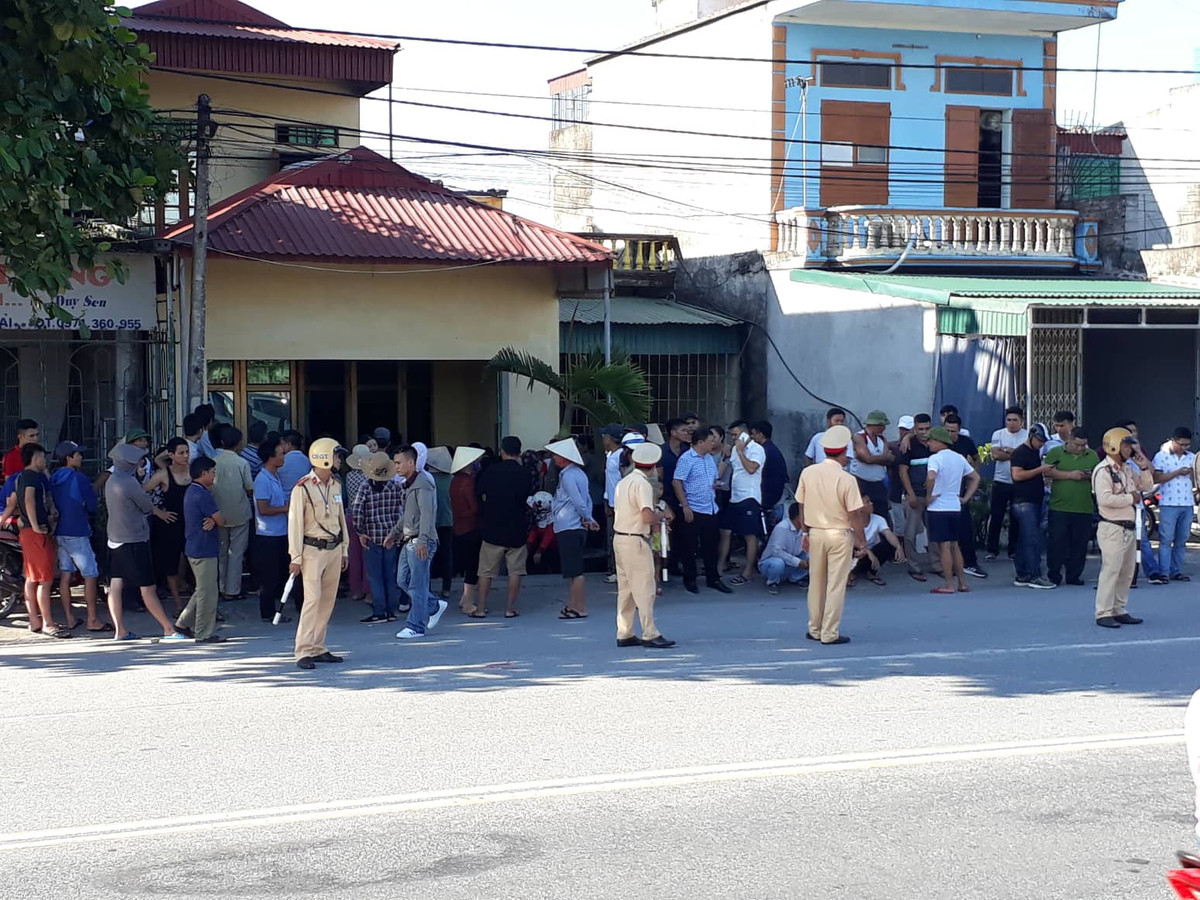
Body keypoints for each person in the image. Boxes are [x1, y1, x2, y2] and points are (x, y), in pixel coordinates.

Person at [105, 442, 187, 641]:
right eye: (137, 460)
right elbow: (146, 506)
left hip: (114, 538)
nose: (140, 463)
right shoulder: (129, 483)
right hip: (133, 539)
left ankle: (120, 630)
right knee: (148, 587)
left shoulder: (112, 480)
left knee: (115, 584)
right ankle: (168, 629)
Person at [794, 425, 867, 645]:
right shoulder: (847, 479)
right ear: (843, 451)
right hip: (839, 534)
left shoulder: (808, 472)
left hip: (815, 532)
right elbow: (854, 514)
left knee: (816, 582)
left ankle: (815, 628)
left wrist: (805, 531)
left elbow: (801, 504)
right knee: (836, 584)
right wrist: (862, 542)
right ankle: (829, 632)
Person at [288, 437, 349, 670]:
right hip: (312, 550)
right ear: (324, 458)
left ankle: (318, 646)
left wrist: (345, 548)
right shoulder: (302, 487)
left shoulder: (336, 485)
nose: (339, 460)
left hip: (334, 548)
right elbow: (295, 524)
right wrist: (295, 556)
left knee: (327, 600)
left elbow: (341, 519)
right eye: (336, 455)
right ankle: (303, 650)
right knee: (312, 600)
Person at [612, 442, 674, 648]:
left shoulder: (624, 482)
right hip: (635, 538)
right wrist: (662, 515)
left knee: (626, 589)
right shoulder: (643, 484)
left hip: (620, 537)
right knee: (645, 588)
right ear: (654, 466)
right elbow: (647, 515)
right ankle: (650, 632)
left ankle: (625, 632)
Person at [1092, 427, 1154, 628]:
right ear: (1115, 447)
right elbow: (1105, 499)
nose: (1130, 450)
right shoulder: (1103, 471)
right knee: (1111, 570)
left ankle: (1119, 608)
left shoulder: (1127, 469)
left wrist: (1143, 468)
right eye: (1126, 446)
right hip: (1112, 527)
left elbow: (1147, 487)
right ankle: (1103, 612)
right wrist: (1130, 498)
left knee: (1127, 571)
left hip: (1129, 527)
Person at [49, 441, 107, 632]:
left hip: (59, 530)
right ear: (69, 458)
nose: (81, 457)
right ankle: (92, 619)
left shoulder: (53, 478)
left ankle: (70, 618)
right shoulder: (78, 478)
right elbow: (92, 504)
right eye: (77, 454)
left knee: (65, 575)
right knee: (90, 575)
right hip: (77, 530)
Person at [473, 435, 531, 619]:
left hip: (492, 526)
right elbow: (527, 496)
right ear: (519, 452)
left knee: (486, 571)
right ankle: (509, 608)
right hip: (516, 527)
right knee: (515, 571)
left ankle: (480, 608)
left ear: (502, 451)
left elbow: (478, 493)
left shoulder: (491, 470)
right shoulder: (524, 473)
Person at [395, 445, 448, 639]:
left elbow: (427, 514)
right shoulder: (410, 483)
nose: (396, 467)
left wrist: (423, 541)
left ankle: (416, 626)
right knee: (402, 580)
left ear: (411, 462)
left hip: (420, 540)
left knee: (417, 585)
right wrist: (394, 532)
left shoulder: (423, 483)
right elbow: (409, 513)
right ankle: (433, 605)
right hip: (409, 538)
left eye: (399, 463)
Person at [16, 443, 68, 638]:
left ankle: (35, 620)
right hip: (35, 533)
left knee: (32, 578)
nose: (45, 461)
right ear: (36, 457)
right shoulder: (31, 477)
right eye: (42, 457)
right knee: (45, 580)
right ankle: (48, 622)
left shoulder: (25, 476)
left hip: (29, 532)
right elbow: (29, 500)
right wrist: (36, 525)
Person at [672, 426, 732, 595]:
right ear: (700, 442)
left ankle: (713, 578)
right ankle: (690, 579)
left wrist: (715, 485)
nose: (713, 443)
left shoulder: (709, 459)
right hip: (693, 508)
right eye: (710, 440)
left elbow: (712, 478)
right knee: (689, 546)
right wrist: (685, 505)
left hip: (710, 508)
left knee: (711, 546)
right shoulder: (687, 459)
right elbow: (677, 482)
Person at [175, 457, 227, 643]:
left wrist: (213, 519)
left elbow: (215, 519)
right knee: (208, 594)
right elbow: (222, 520)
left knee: (203, 589)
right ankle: (203, 632)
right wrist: (215, 519)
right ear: (204, 473)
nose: (214, 476)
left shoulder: (193, 490)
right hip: (203, 549)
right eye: (212, 472)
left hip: (196, 547)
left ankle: (183, 623)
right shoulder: (203, 495)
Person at [924, 426, 981, 595]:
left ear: (938, 441)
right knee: (955, 545)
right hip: (955, 506)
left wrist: (929, 496)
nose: (928, 444)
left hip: (938, 507)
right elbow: (975, 477)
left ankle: (949, 584)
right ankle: (962, 583)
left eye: (930, 440)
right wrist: (965, 498)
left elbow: (931, 476)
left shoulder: (935, 458)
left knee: (944, 547)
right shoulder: (958, 458)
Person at [351, 451, 406, 624]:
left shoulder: (365, 487)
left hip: (371, 537)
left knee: (375, 576)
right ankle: (391, 611)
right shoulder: (395, 487)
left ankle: (379, 611)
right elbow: (404, 509)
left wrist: (360, 532)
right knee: (390, 574)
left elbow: (357, 513)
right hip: (391, 536)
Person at [548, 437, 598, 619]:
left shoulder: (568, 476)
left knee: (575, 571)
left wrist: (588, 518)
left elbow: (578, 500)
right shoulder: (579, 474)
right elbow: (586, 499)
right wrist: (589, 517)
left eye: (556, 455)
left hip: (569, 525)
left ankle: (579, 606)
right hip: (575, 525)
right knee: (573, 570)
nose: (554, 458)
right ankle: (573, 604)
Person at [1044, 426, 1099, 587]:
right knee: (1057, 542)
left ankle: (1074, 575)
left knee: (1079, 544)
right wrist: (1070, 475)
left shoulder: (1092, 455)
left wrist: (1090, 476)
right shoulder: (1056, 453)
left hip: (1083, 507)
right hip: (1059, 506)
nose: (1080, 449)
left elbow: (1099, 475)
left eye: (1083, 445)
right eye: (1077, 445)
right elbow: (1047, 472)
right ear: (1069, 440)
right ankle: (1054, 574)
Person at [144, 437, 191, 614]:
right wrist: (157, 511)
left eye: (187, 452)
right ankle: (178, 604)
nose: (185, 456)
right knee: (171, 566)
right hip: (172, 525)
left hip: (193, 524)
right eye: (181, 453)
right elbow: (139, 493)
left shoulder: (194, 470)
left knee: (198, 564)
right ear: (171, 455)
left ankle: (202, 606)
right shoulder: (163, 474)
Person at [1007, 422, 1055, 589]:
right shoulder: (1020, 452)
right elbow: (1017, 475)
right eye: (1040, 441)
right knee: (1032, 539)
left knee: (1025, 539)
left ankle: (1022, 574)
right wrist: (1040, 470)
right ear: (1032, 437)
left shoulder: (1034, 452)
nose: (1042, 444)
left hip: (1033, 500)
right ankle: (1034, 575)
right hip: (1024, 502)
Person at [719, 420, 766, 586]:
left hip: (749, 497)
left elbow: (751, 468)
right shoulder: (733, 450)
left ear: (745, 434)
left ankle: (747, 572)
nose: (734, 438)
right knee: (725, 530)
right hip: (735, 496)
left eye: (736, 435)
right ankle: (720, 566)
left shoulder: (756, 449)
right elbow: (731, 468)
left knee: (749, 534)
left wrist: (740, 451)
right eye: (732, 435)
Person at [212, 426, 254, 601]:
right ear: (238, 444)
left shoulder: (212, 461)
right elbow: (249, 488)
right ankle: (232, 589)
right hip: (239, 512)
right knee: (236, 553)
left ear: (222, 442)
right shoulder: (241, 463)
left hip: (218, 512)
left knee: (221, 551)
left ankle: (221, 587)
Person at [253, 437, 291, 623]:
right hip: (268, 534)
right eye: (281, 454)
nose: (284, 457)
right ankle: (267, 612)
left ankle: (276, 610)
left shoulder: (275, 476)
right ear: (270, 457)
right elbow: (263, 508)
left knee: (280, 573)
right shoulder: (262, 479)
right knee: (269, 576)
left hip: (280, 531)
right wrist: (285, 508)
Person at [899, 414, 940, 582]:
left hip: (934, 496)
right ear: (915, 429)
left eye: (927, 428)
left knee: (935, 532)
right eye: (920, 429)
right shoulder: (909, 445)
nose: (924, 432)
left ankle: (937, 565)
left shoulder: (936, 443)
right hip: (915, 496)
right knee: (910, 534)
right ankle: (914, 567)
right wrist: (910, 494)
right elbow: (903, 471)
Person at [944, 415, 986, 579]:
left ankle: (970, 563)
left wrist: (973, 474)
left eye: (953, 431)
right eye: (947, 430)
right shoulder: (939, 442)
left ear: (959, 430)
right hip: (942, 492)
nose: (949, 434)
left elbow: (976, 457)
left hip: (960, 491)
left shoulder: (965, 442)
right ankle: (946, 564)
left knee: (965, 528)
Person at [1152, 426, 1195, 583]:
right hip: (1169, 503)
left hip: (1187, 502)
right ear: (1173, 441)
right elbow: (1156, 478)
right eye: (1181, 444)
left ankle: (1176, 571)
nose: (1184, 448)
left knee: (1182, 540)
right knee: (1166, 539)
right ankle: (1164, 572)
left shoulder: (1191, 457)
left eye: (1187, 445)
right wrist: (1177, 472)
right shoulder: (1161, 456)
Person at [986, 406, 1028, 561]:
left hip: (1019, 482)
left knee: (1016, 518)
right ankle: (992, 550)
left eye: (1015, 420)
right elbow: (996, 455)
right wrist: (1016, 453)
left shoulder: (1027, 435)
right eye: (1009, 420)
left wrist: (1010, 451)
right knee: (996, 516)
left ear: (1021, 422)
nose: (1011, 423)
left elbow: (1028, 457)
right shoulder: (998, 434)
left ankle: (1013, 550)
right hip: (1001, 481)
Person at [449, 446, 485, 615]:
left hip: (459, 526)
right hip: (471, 526)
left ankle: (465, 598)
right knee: (473, 566)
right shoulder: (468, 482)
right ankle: (468, 603)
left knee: (468, 563)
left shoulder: (454, 481)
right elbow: (474, 507)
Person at [849, 410, 894, 526]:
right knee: (862, 514)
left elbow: (888, 459)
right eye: (881, 425)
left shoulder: (882, 439)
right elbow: (869, 458)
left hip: (878, 483)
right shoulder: (859, 437)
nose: (884, 428)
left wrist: (871, 459)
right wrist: (880, 459)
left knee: (882, 514)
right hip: (861, 482)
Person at [851, 497, 906, 586]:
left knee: (888, 545)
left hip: (872, 550)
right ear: (859, 507)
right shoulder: (849, 521)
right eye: (867, 502)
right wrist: (867, 551)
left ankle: (870, 572)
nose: (871, 503)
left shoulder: (878, 519)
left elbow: (888, 533)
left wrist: (899, 546)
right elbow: (849, 538)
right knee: (848, 549)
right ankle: (851, 573)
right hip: (857, 550)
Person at [341, 444, 371, 603]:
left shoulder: (349, 476)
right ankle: (368, 591)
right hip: (366, 517)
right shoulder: (369, 477)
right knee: (367, 556)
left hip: (351, 515)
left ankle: (356, 590)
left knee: (353, 554)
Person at [759, 502, 809, 595]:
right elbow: (777, 552)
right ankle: (772, 582)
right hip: (772, 562)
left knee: (813, 558)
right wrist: (797, 562)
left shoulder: (804, 529)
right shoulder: (782, 528)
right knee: (778, 563)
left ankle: (794, 578)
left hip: (792, 560)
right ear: (799, 517)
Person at [427, 446, 455, 598]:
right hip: (448, 521)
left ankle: (427, 588)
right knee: (447, 554)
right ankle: (447, 587)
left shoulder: (428, 479)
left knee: (428, 556)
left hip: (430, 522)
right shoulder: (452, 479)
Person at [751, 420, 790, 529]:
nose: (751, 437)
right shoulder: (772, 449)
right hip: (774, 493)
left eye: (753, 434)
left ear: (760, 435)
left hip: (767, 495)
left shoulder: (763, 451)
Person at [601, 423, 624, 583]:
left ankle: (619, 570)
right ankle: (614, 568)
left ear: (609, 438)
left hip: (619, 505)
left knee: (618, 538)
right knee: (612, 537)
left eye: (605, 437)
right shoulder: (611, 455)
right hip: (611, 503)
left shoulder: (620, 456)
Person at [887, 415, 913, 537]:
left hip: (913, 493)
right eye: (902, 429)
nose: (903, 432)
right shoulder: (892, 446)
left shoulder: (919, 447)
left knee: (915, 526)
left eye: (907, 430)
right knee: (899, 526)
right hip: (896, 490)